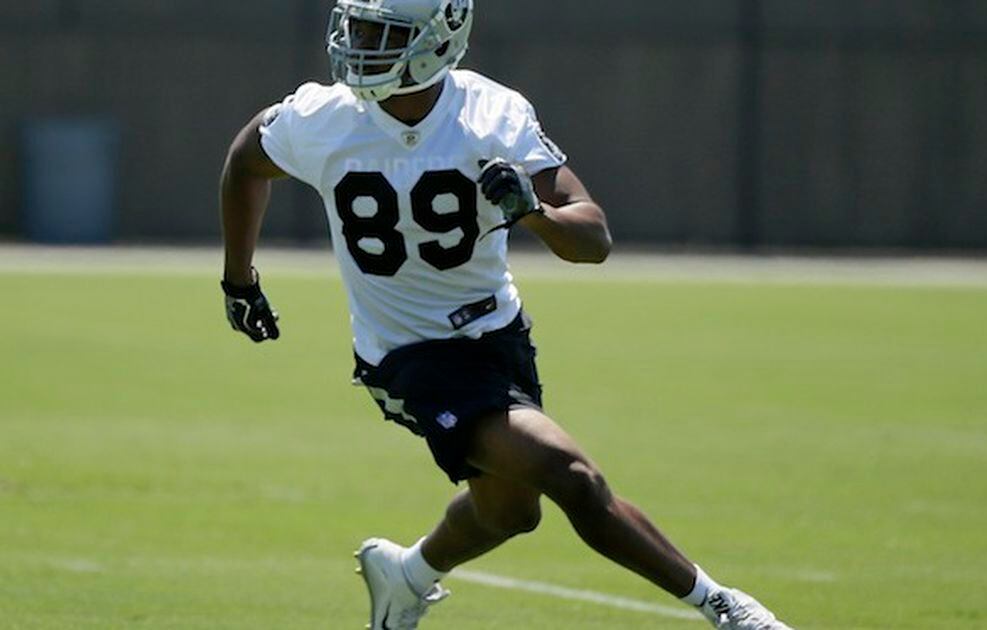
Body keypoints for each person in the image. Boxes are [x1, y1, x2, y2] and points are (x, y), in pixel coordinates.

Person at [219, 1, 791, 628]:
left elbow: (593, 239)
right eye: (357, 28)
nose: (359, 46)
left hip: (499, 338)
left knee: (511, 511)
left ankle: (404, 575)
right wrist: (238, 278)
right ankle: (725, 607)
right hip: (410, 357)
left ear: (439, 41)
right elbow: (246, 160)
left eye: (383, 34)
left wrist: (533, 213)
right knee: (570, 475)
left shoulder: (491, 113)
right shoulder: (321, 116)